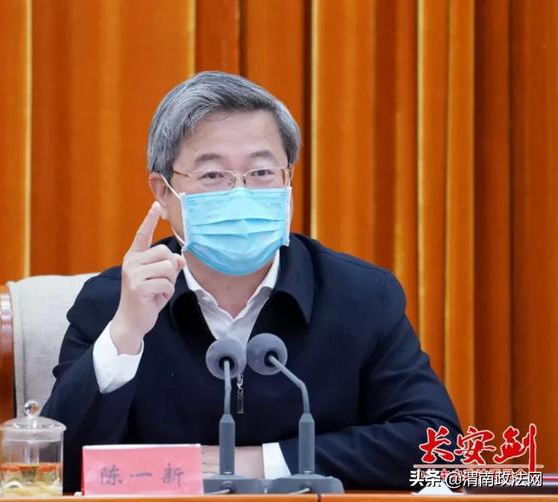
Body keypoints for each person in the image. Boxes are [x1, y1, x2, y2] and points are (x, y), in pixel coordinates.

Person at [42, 71, 460, 492]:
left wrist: (262, 462)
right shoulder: (111, 302)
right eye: (213, 175)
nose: (239, 194)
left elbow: (439, 448)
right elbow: (56, 470)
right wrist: (125, 335)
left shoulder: (361, 297)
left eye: (261, 172)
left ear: (288, 180)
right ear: (164, 192)